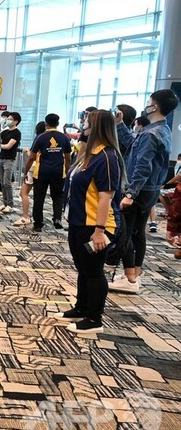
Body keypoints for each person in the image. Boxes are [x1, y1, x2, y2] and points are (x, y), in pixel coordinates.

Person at [56, 110, 124, 334]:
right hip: (78, 222)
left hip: (96, 225)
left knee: (93, 271)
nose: (82, 126)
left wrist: (99, 230)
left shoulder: (107, 156)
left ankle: (95, 319)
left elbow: (106, 197)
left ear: (96, 127)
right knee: (83, 268)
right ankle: (81, 308)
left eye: (86, 124)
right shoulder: (90, 153)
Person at [108, 89, 179, 294]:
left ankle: (130, 279)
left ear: (154, 106)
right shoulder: (161, 129)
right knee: (138, 232)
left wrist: (130, 194)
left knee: (126, 233)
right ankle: (135, 275)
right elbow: (133, 146)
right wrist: (120, 124)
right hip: (150, 189)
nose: (146, 105)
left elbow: (143, 166)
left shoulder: (150, 133)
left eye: (149, 102)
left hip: (139, 190)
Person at [24, 113, 71, 232]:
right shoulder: (64, 138)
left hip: (41, 172)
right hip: (58, 172)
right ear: (58, 123)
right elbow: (68, 158)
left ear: (46, 124)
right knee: (58, 196)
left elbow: (32, 157)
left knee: (39, 197)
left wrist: (26, 171)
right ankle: (57, 219)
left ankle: (38, 223)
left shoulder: (40, 137)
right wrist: (67, 171)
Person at [14, 121, 46, 227]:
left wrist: (27, 151)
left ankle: (25, 216)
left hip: (33, 168)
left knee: (23, 193)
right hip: (43, 169)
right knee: (37, 195)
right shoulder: (48, 139)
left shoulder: (38, 139)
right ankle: (34, 217)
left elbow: (32, 156)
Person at [0, 111, 21, 213]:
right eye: (8, 119)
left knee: (7, 182)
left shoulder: (17, 133)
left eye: (11, 119)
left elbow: (8, 146)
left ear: (16, 121)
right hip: (1, 158)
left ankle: (10, 204)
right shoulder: (4, 132)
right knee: (2, 182)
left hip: (9, 159)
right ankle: (4, 203)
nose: (8, 121)